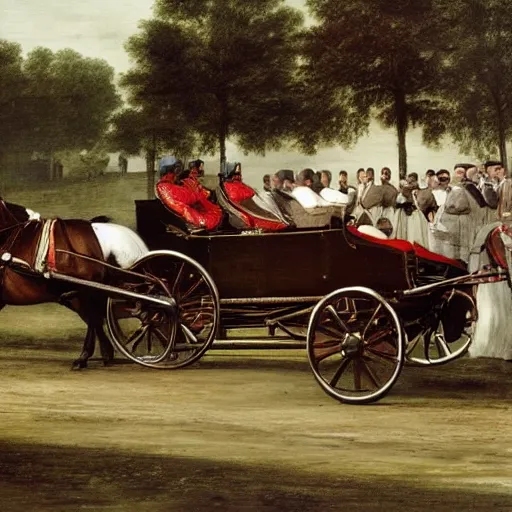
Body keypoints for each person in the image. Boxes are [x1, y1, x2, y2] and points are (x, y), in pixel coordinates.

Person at [155, 157, 223, 231]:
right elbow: (189, 197)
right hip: (190, 217)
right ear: (172, 170)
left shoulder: (164, 185)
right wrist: (201, 195)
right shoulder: (166, 186)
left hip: (186, 213)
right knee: (216, 212)